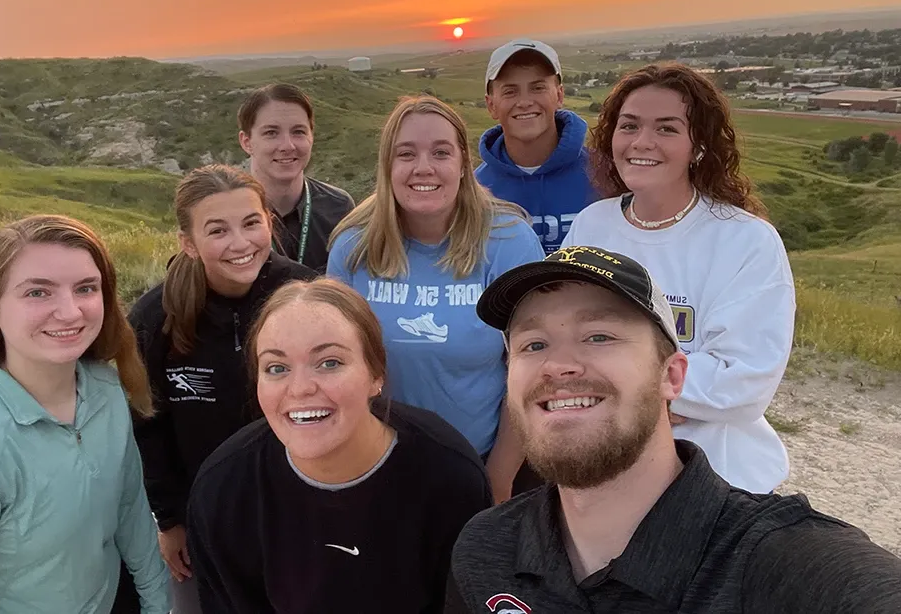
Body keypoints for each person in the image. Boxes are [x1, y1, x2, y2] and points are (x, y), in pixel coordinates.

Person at [445, 246, 901, 613]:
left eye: (599, 336)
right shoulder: (487, 550)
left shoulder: (779, 564)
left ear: (672, 376)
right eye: (534, 344)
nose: (559, 365)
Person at [0, 215, 170, 614]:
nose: (70, 311)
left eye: (86, 288)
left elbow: (129, 508)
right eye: (38, 293)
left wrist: (159, 604)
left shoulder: (105, 391)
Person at [185, 278, 493, 613]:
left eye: (329, 362)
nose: (300, 388)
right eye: (277, 368)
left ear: (376, 374)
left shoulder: (450, 477)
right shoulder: (223, 492)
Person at [560, 63, 795, 494]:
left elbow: (741, 381)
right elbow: (564, 339)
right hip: (609, 473)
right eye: (629, 126)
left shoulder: (746, 241)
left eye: (667, 129)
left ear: (698, 145)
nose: (642, 142)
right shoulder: (592, 227)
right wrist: (667, 393)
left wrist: (617, 391)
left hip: (718, 483)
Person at [327, 95, 545, 502]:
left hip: (482, 464)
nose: (423, 167)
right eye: (405, 153)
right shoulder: (352, 246)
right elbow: (335, 366)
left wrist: (496, 479)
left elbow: (531, 370)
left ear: (463, 163)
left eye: (440, 152)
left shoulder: (508, 240)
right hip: (376, 468)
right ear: (386, 167)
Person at [120, 164, 316, 614]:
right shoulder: (157, 319)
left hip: (302, 510)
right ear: (188, 243)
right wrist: (170, 520)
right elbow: (146, 425)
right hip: (206, 522)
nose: (240, 243)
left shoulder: (307, 293)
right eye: (217, 230)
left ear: (269, 220)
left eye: (251, 223)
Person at [475, 38, 596, 252]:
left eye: (538, 88)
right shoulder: (475, 192)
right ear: (491, 105)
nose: (525, 102)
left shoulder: (604, 175)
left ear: (559, 95)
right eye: (510, 91)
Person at [238, 82, 356, 273]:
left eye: (298, 132)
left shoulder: (339, 208)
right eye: (271, 133)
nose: (288, 145)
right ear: (246, 142)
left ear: (312, 136)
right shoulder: (228, 213)